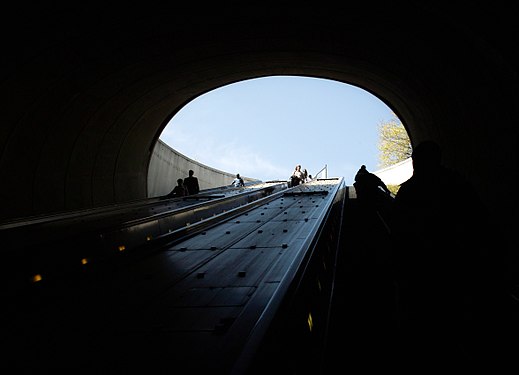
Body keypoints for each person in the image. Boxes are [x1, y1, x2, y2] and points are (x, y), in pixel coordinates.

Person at [388, 140, 495, 365]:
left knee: (424, 330)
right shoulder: (458, 184)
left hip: (421, 273)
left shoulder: (409, 191)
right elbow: (481, 221)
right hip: (457, 268)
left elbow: (398, 234)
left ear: (418, 162)